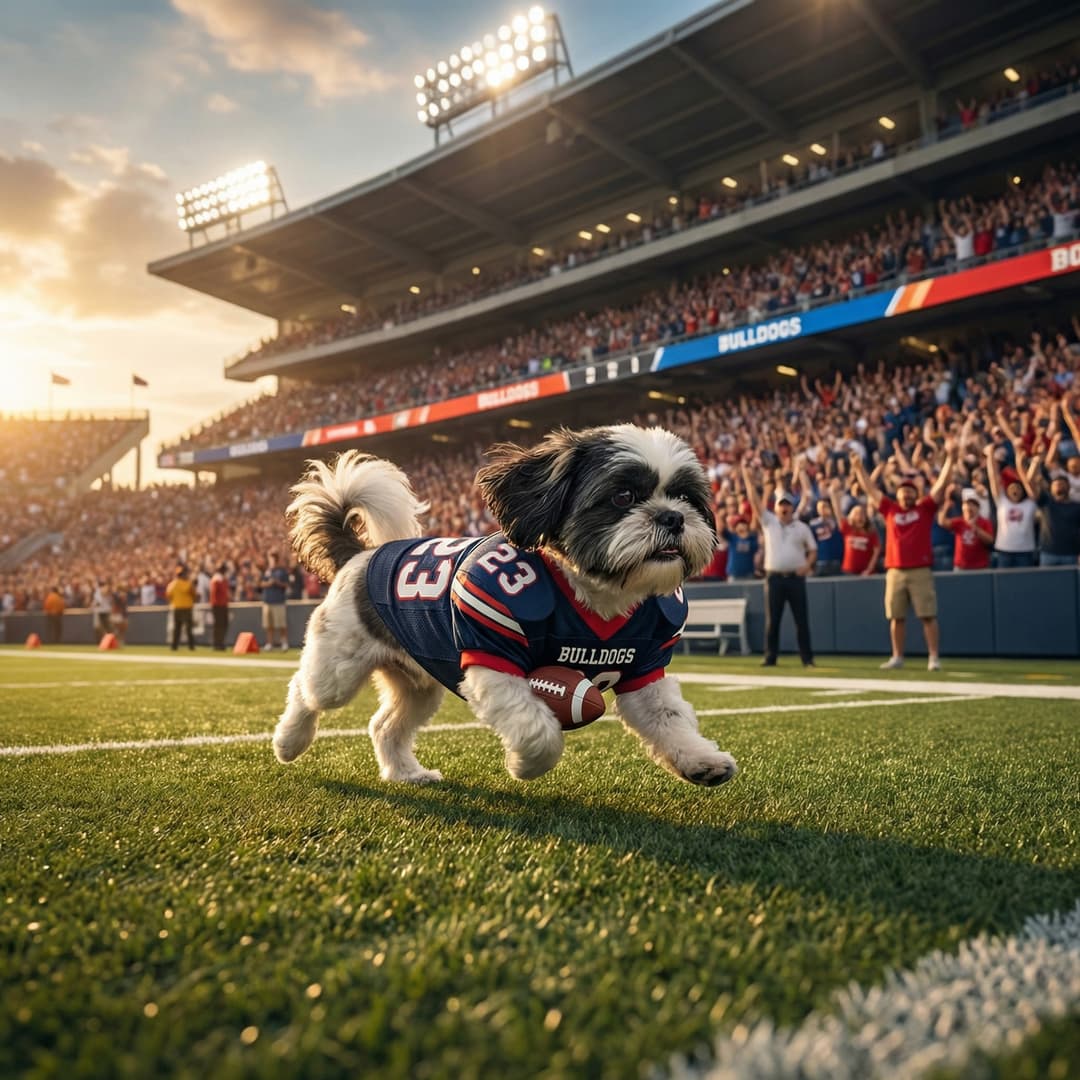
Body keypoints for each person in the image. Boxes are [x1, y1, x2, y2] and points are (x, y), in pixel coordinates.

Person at [849, 441, 957, 671]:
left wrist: (950, 459)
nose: (906, 495)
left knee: (927, 615)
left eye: (910, 492)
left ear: (915, 495)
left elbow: (939, 487)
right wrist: (859, 469)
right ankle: (897, 656)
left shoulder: (924, 509)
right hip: (895, 569)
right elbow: (871, 490)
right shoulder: (890, 509)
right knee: (896, 617)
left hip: (920, 569)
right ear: (897, 495)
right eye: (903, 492)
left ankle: (933, 657)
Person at [741, 462, 816, 667]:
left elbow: (813, 550)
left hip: (795, 578)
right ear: (776, 508)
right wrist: (747, 478)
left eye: (787, 505)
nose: (784, 508)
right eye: (781, 504)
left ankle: (807, 659)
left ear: (792, 507)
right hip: (774, 577)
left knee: (801, 620)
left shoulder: (801, 527)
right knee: (773, 620)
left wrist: (807, 565)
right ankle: (770, 657)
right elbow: (755, 502)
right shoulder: (769, 522)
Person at [984, 445, 1037, 568]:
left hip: (1025, 551)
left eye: (1018, 488)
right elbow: (993, 477)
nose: (1015, 491)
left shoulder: (1030, 504)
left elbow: (1029, 482)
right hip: (1004, 551)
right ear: (1007, 491)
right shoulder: (1002, 501)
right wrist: (990, 455)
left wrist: (1027, 463)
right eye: (1012, 488)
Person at [1030, 460, 1080, 566]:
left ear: (1069, 487)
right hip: (1048, 553)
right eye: (1056, 484)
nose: (1059, 486)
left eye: (1062, 484)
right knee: (1046, 582)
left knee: (1069, 582)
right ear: (1051, 489)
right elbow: (1030, 482)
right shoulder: (1046, 503)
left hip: (1071, 554)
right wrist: (1035, 464)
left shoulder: (1077, 506)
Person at [828, 479, 880, 576]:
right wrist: (833, 494)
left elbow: (876, 552)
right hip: (848, 571)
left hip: (865, 573)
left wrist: (869, 569)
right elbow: (837, 511)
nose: (859, 516)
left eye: (862, 514)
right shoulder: (847, 528)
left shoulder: (871, 532)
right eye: (856, 514)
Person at [939, 487, 994, 571]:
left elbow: (990, 540)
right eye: (966, 504)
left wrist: (976, 529)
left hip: (980, 567)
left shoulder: (985, 522)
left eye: (972, 504)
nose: (968, 507)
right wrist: (946, 507)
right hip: (961, 567)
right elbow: (942, 522)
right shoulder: (959, 522)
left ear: (978, 508)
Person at [260, 552, 290, 651]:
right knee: (269, 625)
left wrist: (277, 583)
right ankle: (269, 643)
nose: (271, 561)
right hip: (267, 601)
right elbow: (261, 584)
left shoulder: (282, 571)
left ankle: (284, 642)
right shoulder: (267, 571)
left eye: (272, 559)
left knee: (281, 624)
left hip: (278, 601)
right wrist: (269, 583)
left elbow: (286, 585)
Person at [166, 564, 196, 651]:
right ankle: (191, 646)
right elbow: (193, 594)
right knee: (188, 628)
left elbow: (168, 595)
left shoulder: (172, 584)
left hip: (177, 608)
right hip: (186, 608)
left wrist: (174, 601)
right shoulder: (188, 584)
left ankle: (174, 646)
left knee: (177, 628)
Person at [722, 516, 759, 581]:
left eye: (743, 523)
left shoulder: (752, 538)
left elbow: (755, 548)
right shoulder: (732, 537)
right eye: (738, 524)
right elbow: (721, 529)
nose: (741, 525)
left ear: (747, 526)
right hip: (734, 575)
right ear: (735, 527)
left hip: (748, 575)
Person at [210, 562, 230, 650]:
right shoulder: (217, 579)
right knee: (219, 625)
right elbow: (214, 593)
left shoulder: (220, 578)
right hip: (218, 605)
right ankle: (217, 644)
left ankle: (220, 643)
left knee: (223, 624)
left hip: (222, 604)